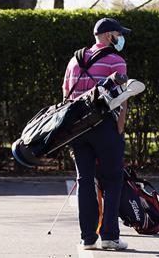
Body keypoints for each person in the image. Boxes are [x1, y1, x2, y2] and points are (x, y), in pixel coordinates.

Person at [62, 18, 130, 250]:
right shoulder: (116, 61)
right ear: (110, 35)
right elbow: (122, 98)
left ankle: (87, 238)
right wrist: (120, 129)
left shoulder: (74, 60)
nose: (121, 38)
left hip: (76, 129)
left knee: (85, 181)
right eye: (119, 34)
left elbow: (65, 94)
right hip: (104, 128)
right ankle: (110, 236)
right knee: (112, 180)